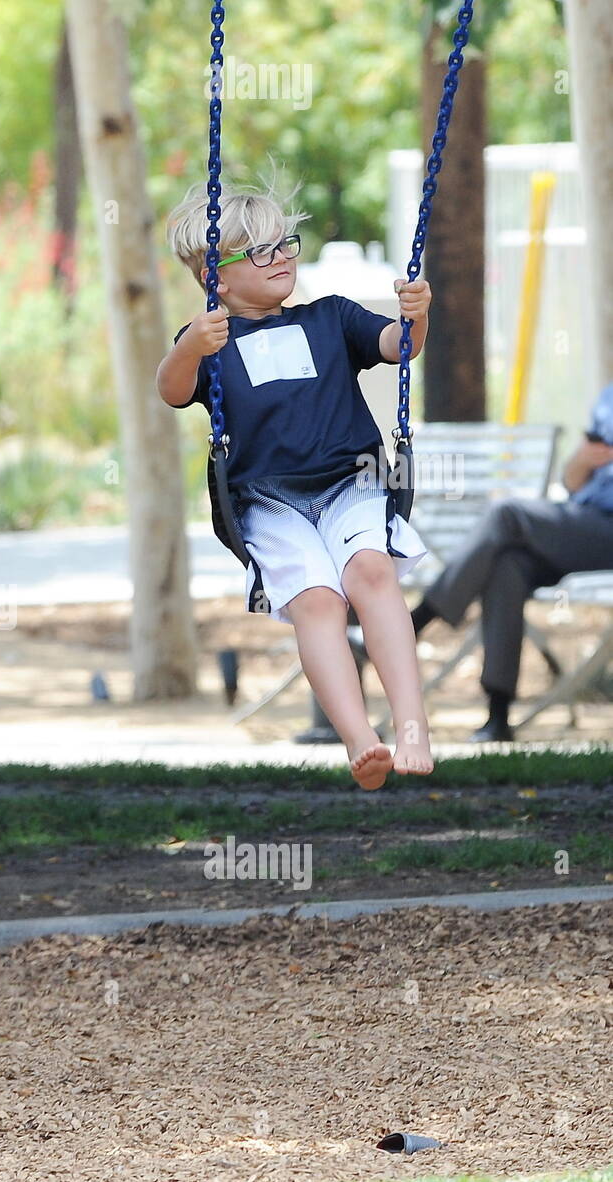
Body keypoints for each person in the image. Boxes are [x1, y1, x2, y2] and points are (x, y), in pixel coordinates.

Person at [158, 181, 433, 789]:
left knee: (372, 572)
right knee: (318, 602)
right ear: (215, 277)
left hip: (352, 482)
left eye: (284, 242)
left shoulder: (331, 316)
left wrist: (416, 313)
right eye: (259, 250)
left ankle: (412, 723)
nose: (281, 255)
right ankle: (361, 741)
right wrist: (189, 348)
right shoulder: (208, 341)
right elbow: (172, 391)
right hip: (266, 502)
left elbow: (398, 346)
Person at [410, 381, 613, 741]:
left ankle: (414, 623)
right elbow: (574, 483)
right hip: (583, 520)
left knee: (507, 513)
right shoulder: (608, 396)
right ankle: (498, 714)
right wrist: (581, 461)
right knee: (508, 565)